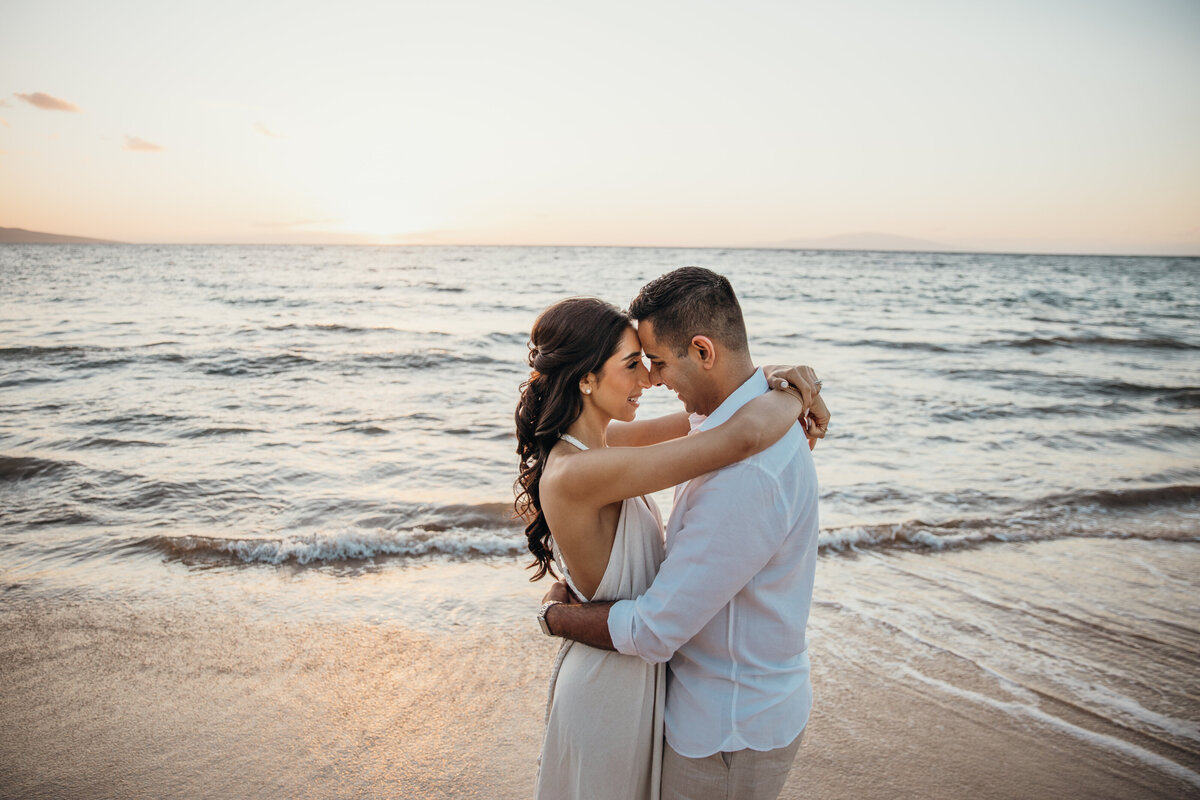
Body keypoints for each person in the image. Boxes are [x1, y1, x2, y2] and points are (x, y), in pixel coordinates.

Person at [516, 284, 826, 800]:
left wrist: (774, 380)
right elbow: (735, 436)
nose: (651, 379)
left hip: (662, 688)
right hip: (611, 681)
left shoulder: (602, 441)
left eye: (652, 361)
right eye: (635, 364)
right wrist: (793, 394)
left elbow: (716, 416)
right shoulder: (583, 470)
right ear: (587, 379)